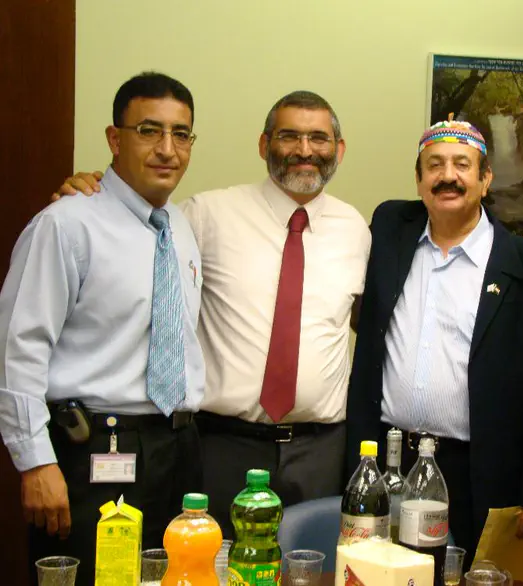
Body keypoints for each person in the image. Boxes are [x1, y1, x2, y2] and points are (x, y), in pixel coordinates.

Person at [53, 91, 371, 535]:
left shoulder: (357, 230)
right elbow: (136, 232)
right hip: (222, 446)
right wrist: (93, 194)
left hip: (320, 451)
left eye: (318, 138)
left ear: (339, 149)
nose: (304, 150)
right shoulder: (205, 215)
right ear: (264, 144)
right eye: (289, 136)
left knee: (311, 563)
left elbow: (366, 321)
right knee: (211, 561)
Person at [0, 72, 205, 586]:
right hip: (94, 451)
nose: (167, 149)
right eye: (148, 131)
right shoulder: (66, 224)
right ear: (115, 139)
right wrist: (34, 462)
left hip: (178, 450)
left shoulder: (180, 227)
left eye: (181, 134)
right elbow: (17, 349)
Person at [346, 119, 523, 564]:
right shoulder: (390, 230)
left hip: (477, 470)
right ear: (418, 179)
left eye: (462, 165)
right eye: (434, 165)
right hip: (389, 459)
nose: (448, 176)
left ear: (486, 178)